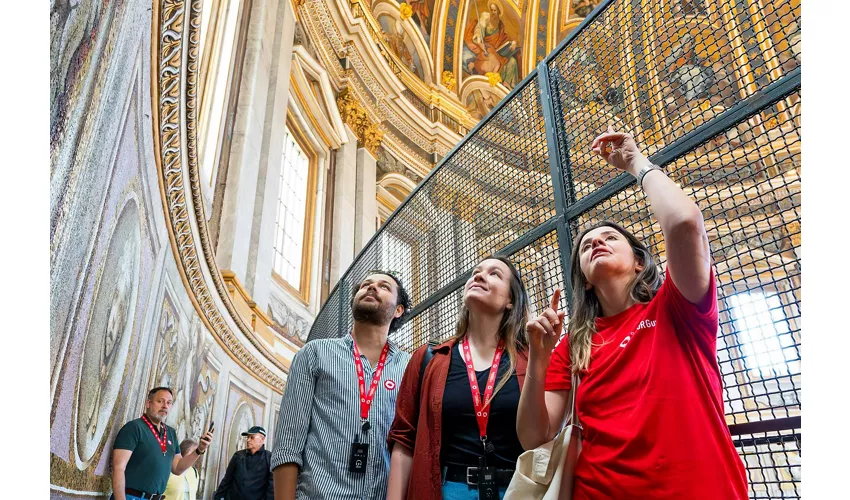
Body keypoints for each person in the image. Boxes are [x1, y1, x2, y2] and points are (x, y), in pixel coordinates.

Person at [516, 128, 749, 498]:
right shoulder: (573, 345)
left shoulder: (678, 306)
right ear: (586, 281)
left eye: (610, 238)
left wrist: (635, 163)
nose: (596, 242)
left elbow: (686, 223)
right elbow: (534, 436)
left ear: (639, 262)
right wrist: (539, 361)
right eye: (587, 246)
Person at [387, 256, 530, 500]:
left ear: (510, 300)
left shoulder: (530, 359)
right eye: (476, 272)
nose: (479, 276)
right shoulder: (428, 357)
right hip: (447, 490)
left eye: (494, 273)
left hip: (516, 492)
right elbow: (404, 440)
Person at [272, 271, 413, 500]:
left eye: (384, 286)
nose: (371, 287)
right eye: (365, 284)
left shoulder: (410, 367)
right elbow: (288, 444)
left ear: (399, 309)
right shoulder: (314, 354)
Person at [111, 387, 214, 500]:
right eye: (160, 401)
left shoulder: (170, 433)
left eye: (169, 403)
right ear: (148, 403)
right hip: (132, 497)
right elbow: (118, 468)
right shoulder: (134, 428)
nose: (165, 406)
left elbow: (178, 468)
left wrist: (200, 449)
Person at [214, 426, 274, 499]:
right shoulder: (238, 456)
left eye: (252, 437)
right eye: (247, 437)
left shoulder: (270, 458)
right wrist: (217, 497)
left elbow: (271, 487)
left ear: (262, 439)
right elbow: (227, 479)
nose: (248, 440)